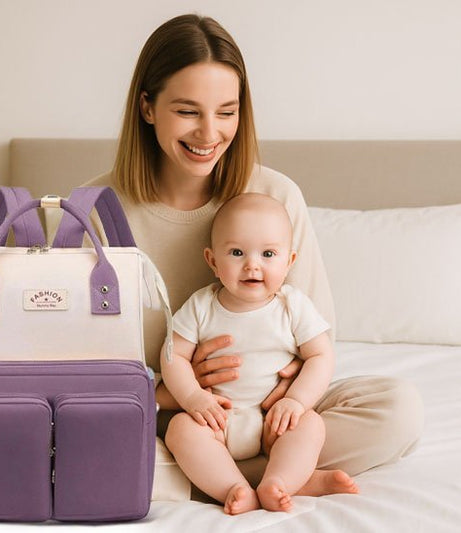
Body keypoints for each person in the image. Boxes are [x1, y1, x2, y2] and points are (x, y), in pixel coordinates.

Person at [85, 13, 423, 499]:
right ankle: (284, 477)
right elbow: (77, 370)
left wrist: (289, 394)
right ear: (147, 107)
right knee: (90, 438)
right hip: (171, 417)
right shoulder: (93, 213)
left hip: (272, 415)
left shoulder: (276, 196)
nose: (209, 133)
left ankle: (215, 479)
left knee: (399, 408)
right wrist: (177, 391)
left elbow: (316, 342)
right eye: (188, 111)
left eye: (226, 112)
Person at [161, 192, 358, 513]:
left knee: (310, 425)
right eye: (237, 252)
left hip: (275, 421)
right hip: (217, 421)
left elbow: (321, 356)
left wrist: (296, 401)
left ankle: (278, 481)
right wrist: (193, 398)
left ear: (289, 262)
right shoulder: (201, 305)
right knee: (179, 430)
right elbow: (173, 356)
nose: (252, 265)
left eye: (268, 254)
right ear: (212, 261)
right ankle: (234, 487)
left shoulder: (292, 306)